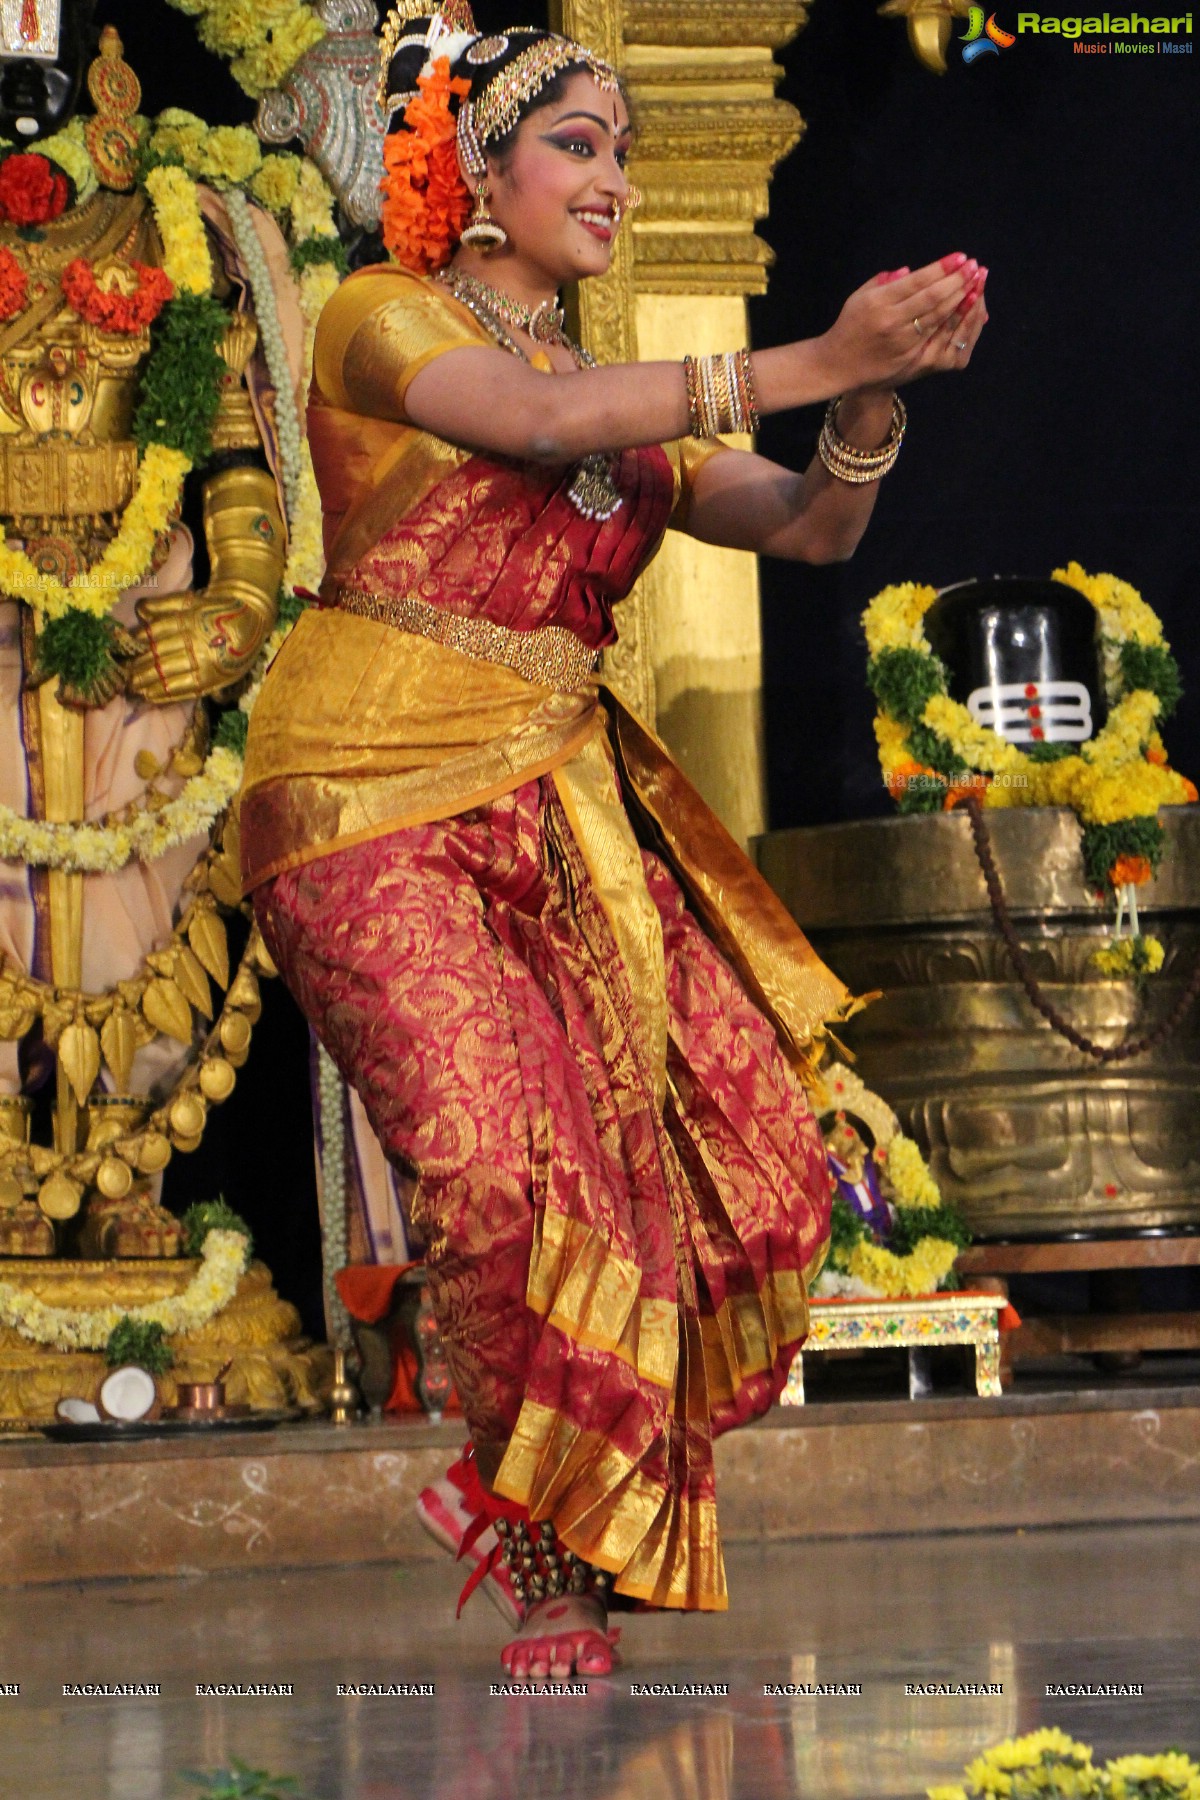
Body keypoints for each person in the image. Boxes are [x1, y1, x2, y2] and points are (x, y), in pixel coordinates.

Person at [239, 1, 988, 1680]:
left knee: (718, 1168)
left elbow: (807, 526)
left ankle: (605, 1507)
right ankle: (543, 1553)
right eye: (581, 145)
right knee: (499, 1177)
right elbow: (527, 425)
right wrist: (816, 359)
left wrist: (868, 409)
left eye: (630, 153)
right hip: (363, 793)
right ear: (479, 179)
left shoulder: (628, 402)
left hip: (557, 798)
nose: (618, 181)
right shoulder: (380, 318)